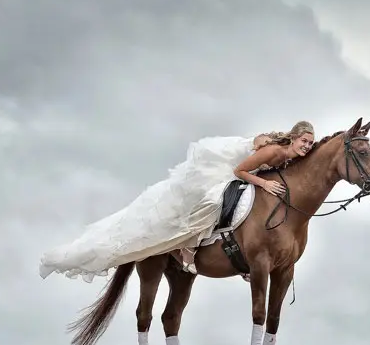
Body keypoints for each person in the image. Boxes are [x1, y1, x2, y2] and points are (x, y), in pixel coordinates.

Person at [39, 121, 315, 283]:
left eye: (310, 143)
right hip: (232, 170)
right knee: (210, 203)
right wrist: (265, 183)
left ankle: (240, 260)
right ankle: (189, 247)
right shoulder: (274, 149)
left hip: (249, 175)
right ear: (294, 137)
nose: (307, 146)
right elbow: (240, 171)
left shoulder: (294, 154)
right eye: (304, 140)